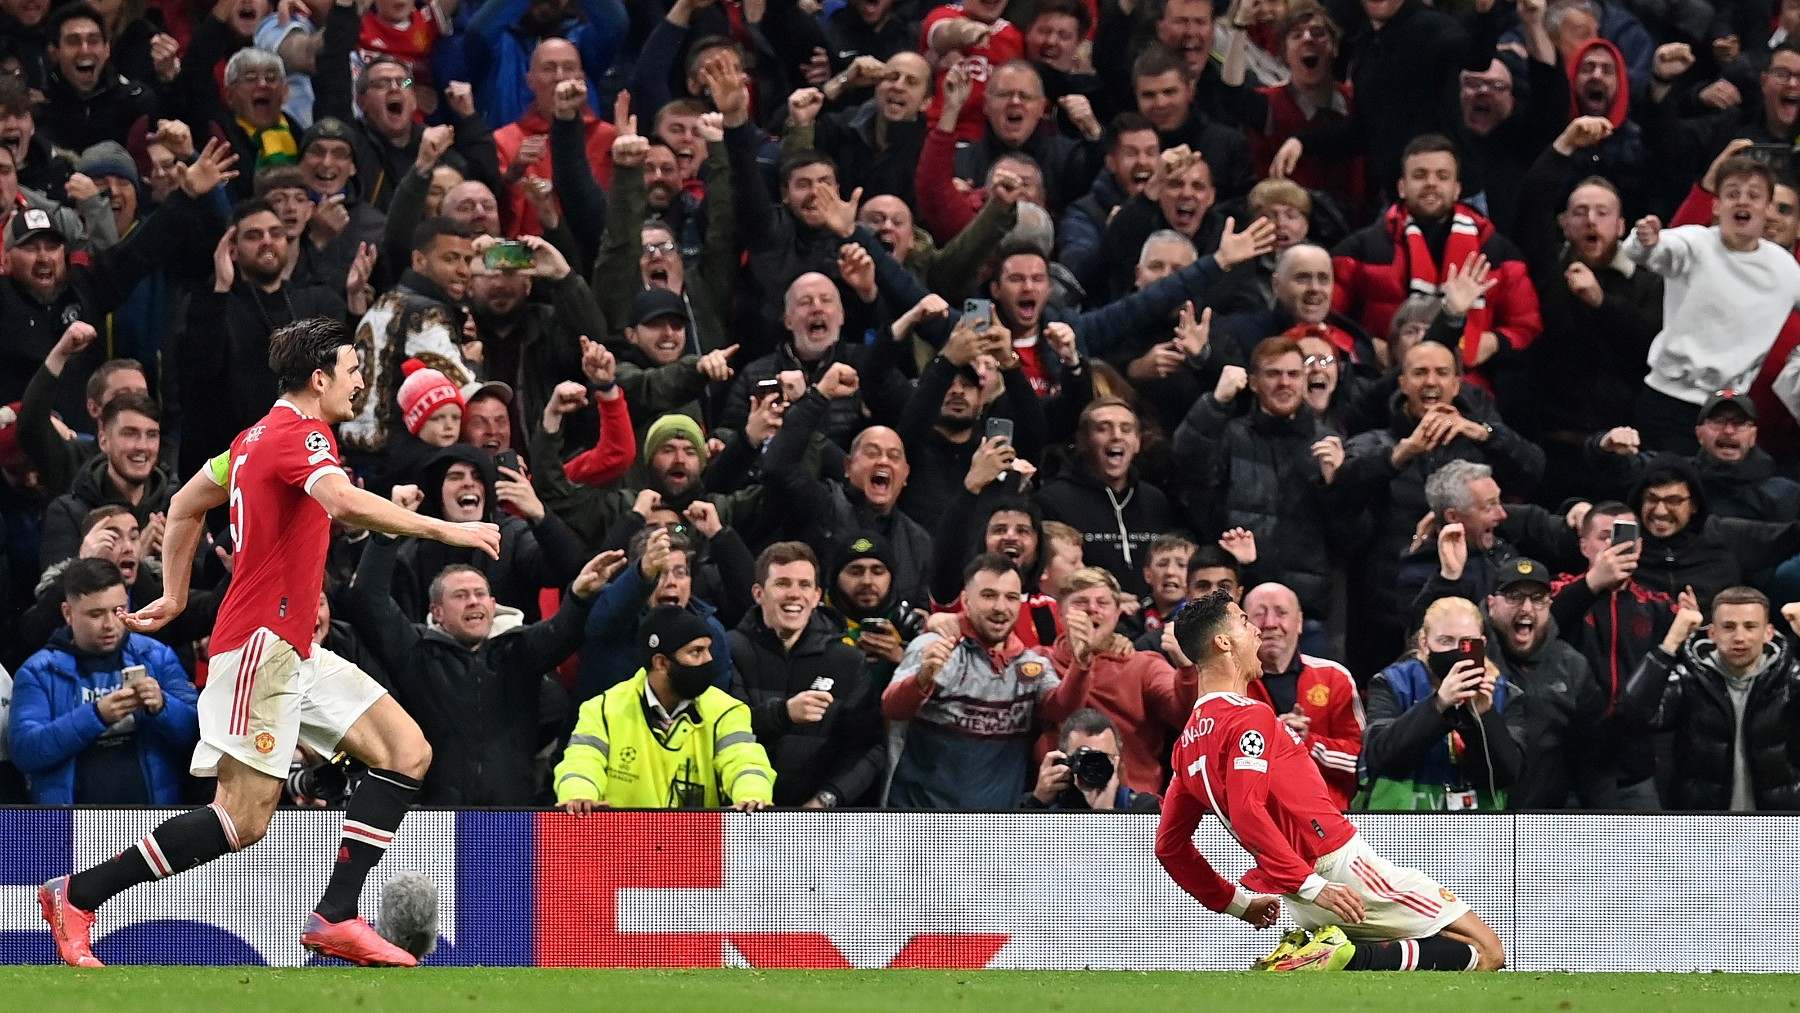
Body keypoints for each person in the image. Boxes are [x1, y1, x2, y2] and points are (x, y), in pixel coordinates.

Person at [37, 317, 502, 969]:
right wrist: (448, 532)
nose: (359, 380)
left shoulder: (250, 440)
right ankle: (78, 894)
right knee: (241, 821)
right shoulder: (300, 433)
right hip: (262, 648)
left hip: (293, 648)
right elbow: (339, 500)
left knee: (406, 750)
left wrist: (173, 594)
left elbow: (188, 503)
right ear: (319, 378)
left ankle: (336, 914)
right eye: (351, 369)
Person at [1155, 589, 1507, 971]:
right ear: (1223, 642)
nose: (1256, 630)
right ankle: (1346, 956)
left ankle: (1328, 952)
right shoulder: (1247, 716)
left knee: (1426, 953)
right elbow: (1246, 809)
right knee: (1488, 951)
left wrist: (1239, 905)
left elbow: (1169, 847)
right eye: (1243, 621)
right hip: (1338, 869)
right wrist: (1314, 885)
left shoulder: (1187, 742)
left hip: (1301, 895)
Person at [345, 535, 617, 806]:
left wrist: (579, 597)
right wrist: (384, 537)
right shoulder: (417, 652)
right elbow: (369, 599)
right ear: (437, 612)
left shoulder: (519, 650)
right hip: (436, 820)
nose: (473, 601)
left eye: (480, 594)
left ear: (492, 604)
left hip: (513, 817)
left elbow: (562, 632)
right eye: (460, 596)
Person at [883, 553, 1093, 808]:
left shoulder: (1030, 664)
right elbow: (892, 709)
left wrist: (1081, 665)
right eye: (989, 595)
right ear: (966, 601)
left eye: (1011, 597)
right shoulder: (933, 648)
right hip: (919, 821)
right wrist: (922, 678)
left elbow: (1061, 710)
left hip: (995, 829)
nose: (1001, 607)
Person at [1626, 155, 1800, 453]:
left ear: (1768, 208)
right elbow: (1647, 252)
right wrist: (1646, 239)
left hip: (1730, 410)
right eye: (1733, 194)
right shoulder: (1694, 242)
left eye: (1754, 196)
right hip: (1667, 401)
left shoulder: (1785, 268)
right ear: (1717, 206)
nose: (1742, 202)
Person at [8, 558, 199, 805]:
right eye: (96, 614)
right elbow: (26, 751)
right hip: (69, 827)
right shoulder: (38, 672)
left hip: (156, 819)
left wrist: (163, 707)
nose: (110, 624)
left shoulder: (157, 657)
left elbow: (197, 736)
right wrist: (97, 715)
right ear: (68, 613)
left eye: (118, 610)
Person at [555, 604, 776, 812]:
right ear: (660, 662)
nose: (709, 660)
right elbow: (582, 761)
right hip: (625, 844)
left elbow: (744, 759)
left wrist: (752, 794)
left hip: (695, 846)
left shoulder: (726, 710)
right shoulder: (603, 710)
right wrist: (578, 795)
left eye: (709, 650)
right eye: (696, 652)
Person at [727, 542, 884, 809]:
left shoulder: (846, 661)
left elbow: (868, 748)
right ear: (758, 593)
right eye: (783, 584)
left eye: (804, 585)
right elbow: (724, 733)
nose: (794, 594)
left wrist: (825, 800)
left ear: (817, 596)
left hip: (819, 822)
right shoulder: (729, 650)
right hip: (742, 815)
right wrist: (784, 714)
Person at [1623, 585, 1800, 810]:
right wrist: (1671, 641)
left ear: (1768, 632)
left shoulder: (1790, 678)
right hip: (1704, 826)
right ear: (1712, 633)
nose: (1739, 637)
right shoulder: (1689, 678)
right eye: (1728, 627)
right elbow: (1634, 715)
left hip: (1779, 822)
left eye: (1750, 626)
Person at [1361, 595, 1523, 811]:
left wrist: (1485, 715)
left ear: (1482, 645)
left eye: (1466, 642)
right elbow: (1379, 757)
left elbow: (1509, 773)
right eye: (1446, 641)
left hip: (1476, 831)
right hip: (1402, 826)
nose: (1456, 651)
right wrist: (1439, 704)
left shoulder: (1504, 693)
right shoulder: (1392, 684)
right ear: (1424, 643)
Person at [1047, 567, 1197, 793]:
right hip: (1055, 807)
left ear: (1118, 613)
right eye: (1080, 602)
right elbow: (1060, 712)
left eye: (1103, 603)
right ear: (1060, 613)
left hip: (1133, 807)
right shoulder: (1040, 661)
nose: (1092, 610)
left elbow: (1187, 718)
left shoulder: (1144, 665)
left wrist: (1187, 669)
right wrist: (1082, 661)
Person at [1240, 582, 1363, 810]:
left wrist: (1308, 743)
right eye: (1259, 614)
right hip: (1254, 822)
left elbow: (1362, 762)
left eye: (1281, 613)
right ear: (1244, 625)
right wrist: (1269, 740)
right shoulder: (1231, 684)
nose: (1270, 623)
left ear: (1299, 622)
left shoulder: (1334, 678)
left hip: (1327, 821)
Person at [1022, 708, 1161, 811]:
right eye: (1085, 758)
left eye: (1104, 758)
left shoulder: (1145, 810)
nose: (1094, 766)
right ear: (1065, 762)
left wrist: (1106, 815)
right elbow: (1019, 848)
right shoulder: (1043, 810)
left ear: (1119, 763)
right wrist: (1036, 803)